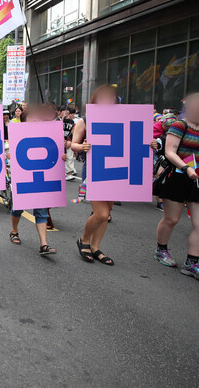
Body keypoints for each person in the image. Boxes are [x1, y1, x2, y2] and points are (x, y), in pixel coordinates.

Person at [153, 93, 199, 283]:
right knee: (171, 219)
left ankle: (192, 263)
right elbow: (169, 152)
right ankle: (161, 250)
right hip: (178, 177)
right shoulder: (179, 125)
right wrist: (186, 168)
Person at [70, 85, 119, 265]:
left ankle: (96, 247)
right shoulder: (85, 120)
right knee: (101, 213)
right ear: (95, 100)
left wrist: (151, 144)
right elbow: (72, 144)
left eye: (111, 97)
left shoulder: (121, 119)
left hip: (116, 170)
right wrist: (82, 146)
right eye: (103, 97)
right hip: (95, 170)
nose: (107, 100)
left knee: (107, 213)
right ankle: (84, 240)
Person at [7, 104, 60, 256]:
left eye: (37, 119)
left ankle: (44, 244)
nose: (36, 121)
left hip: (40, 178)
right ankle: (14, 231)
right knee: (18, 208)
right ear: (24, 121)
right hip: (23, 178)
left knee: (41, 210)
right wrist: (11, 156)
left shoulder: (47, 135)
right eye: (32, 119)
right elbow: (10, 153)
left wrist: (61, 156)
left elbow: (54, 154)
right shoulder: (17, 135)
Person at [62, 105, 78, 181]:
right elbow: (57, 127)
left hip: (68, 140)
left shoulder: (72, 122)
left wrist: (70, 141)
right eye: (65, 111)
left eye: (68, 112)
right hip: (59, 141)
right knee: (63, 157)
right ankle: (66, 172)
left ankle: (69, 172)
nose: (66, 113)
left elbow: (73, 132)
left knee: (70, 155)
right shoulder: (58, 120)